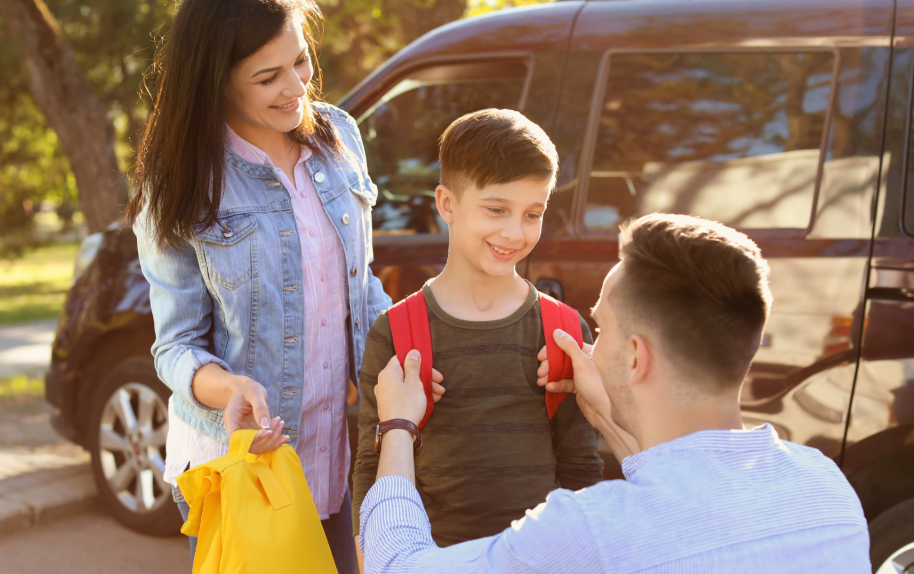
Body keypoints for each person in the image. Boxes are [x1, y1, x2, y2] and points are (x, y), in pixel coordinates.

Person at [359, 214, 871, 572]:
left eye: (599, 331)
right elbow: (681, 490)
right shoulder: (827, 488)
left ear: (634, 357)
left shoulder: (591, 530)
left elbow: (400, 567)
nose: (587, 347)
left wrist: (399, 426)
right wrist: (605, 419)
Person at [128, 0, 391, 571]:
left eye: (300, 62)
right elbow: (174, 347)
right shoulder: (180, 176)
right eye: (267, 77)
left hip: (334, 455)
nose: (295, 87)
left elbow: (361, 285)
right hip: (243, 461)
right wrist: (229, 389)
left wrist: (407, 358)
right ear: (213, 82)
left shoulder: (338, 137)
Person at [352, 109, 603, 553]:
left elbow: (581, 465)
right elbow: (373, 471)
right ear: (447, 204)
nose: (514, 232)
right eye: (496, 210)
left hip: (539, 560)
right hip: (433, 559)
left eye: (532, 213)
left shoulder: (561, 330)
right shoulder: (396, 333)